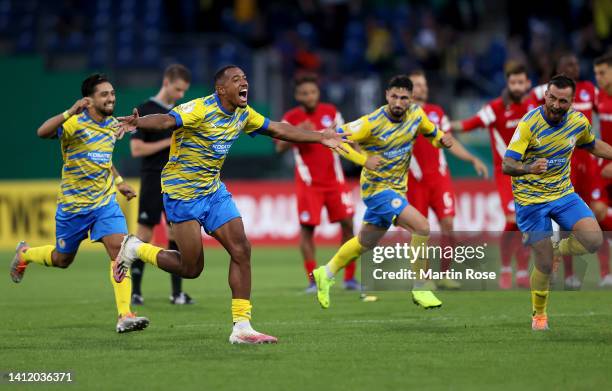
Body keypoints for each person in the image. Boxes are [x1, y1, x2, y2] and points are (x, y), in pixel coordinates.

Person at [113, 65, 349, 344]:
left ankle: (242, 327)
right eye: (236, 79)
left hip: (213, 191)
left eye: (245, 78)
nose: (244, 82)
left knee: (241, 248)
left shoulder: (244, 114)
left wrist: (321, 136)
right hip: (181, 193)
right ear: (221, 89)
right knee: (191, 269)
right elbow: (166, 121)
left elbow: (277, 129)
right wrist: (139, 123)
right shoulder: (200, 109)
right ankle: (135, 248)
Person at [9, 74, 148, 333]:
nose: (111, 98)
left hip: (104, 203)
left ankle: (125, 314)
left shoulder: (112, 125)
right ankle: (25, 254)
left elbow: (103, 158)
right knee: (62, 260)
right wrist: (68, 111)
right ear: (89, 99)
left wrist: (118, 182)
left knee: (119, 250)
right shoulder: (74, 124)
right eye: (104, 94)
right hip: (73, 207)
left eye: (113, 93)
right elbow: (42, 132)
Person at [311, 75, 453, 310]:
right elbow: (332, 139)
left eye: (404, 98)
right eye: (394, 96)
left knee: (364, 242)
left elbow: (432, 133)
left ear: (411, 99)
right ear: (387, 95)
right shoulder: (371, 122)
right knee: (422, 226)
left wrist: (441, 141)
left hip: (397, 189)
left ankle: (325, 273)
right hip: (377, 191)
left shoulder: (416, 114)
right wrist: (362, 160)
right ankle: (421, 287)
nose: (398, 102)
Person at [502, 75, 612, 330]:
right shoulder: (529, 123)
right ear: (545, 95)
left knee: (594, 240)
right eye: (552, 98)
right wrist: (529, 167)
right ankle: (539, 315)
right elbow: (507, 164)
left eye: (562, 101)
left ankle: (558, 250)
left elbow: (592, 145)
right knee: (542, 263)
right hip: (531, 201)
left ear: (571, 102)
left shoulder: (577, 122)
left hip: (563, 194)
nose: (555, 104)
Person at [451, 63, 535, 289]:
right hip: (506, 174)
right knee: (511, 221)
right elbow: (470, 124)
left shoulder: (533, 107)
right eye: (513, 82)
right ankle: (506, 268)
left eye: (521, 82)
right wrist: (445, 126)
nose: (517, 86)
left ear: (527, 84)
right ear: (508, 83)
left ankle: (522, 271)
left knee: (525, 224)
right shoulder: (495, 108)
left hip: (529, 173)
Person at [532, 54, 609, 289]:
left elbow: (600, 120)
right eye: (567, 66)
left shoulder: (589, 91)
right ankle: (569, 275)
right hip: (563, 162)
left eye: (576, 65)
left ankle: (606, 271)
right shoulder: (544, 96)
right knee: (566, 222)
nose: (573, 68)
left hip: (588, 161)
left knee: (597, 213)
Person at [277, 73, 359, 292]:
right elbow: (279, 147)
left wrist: (364, 159)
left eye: (312, 92)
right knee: (307, 231)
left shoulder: (331, 112)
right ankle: (313, 280)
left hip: (335, 181)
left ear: (318, 93)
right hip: (308, 184)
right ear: (297, 95)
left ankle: (349, 279)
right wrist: (298, 132)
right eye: (304, 93)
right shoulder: (291, 118)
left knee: (349, 225)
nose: (309, 96)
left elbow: (348, 137)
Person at [407, 70, 489, 290]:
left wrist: (472, 159)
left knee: (448, 224)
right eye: (416, 84)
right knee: (420, 230)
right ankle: (423, 278)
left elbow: (450, 142)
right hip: (414, 180)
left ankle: (444, 273)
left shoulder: (436, 112)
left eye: (423, 84)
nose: (421, 88)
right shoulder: (403, 115)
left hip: (439, 178)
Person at [130, 64, 195, 305]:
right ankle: (135, 291)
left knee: (175, 232)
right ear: (166, 82)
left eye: (184, 91)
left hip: (177, 180)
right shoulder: (146, 110)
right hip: (152, 178)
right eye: (178, 89)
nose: (181, 95)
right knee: (144, 234)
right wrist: (168, 142)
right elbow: (136, 149)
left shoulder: (180, 112)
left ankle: (177, 293)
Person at [594, 52, 612, 287]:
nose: (598, 77)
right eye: (596, 73)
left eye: (603, 72)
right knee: (596, 211)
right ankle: (606, 274)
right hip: (603, 165)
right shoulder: (598, 98)